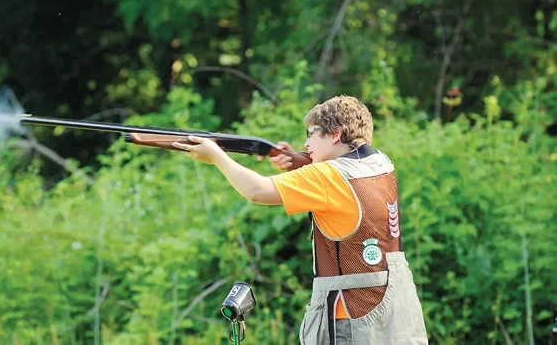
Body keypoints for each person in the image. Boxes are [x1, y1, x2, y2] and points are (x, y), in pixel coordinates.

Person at [172, 95, 428, 344]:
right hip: (395, 309)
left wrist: (216, 155)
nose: (306, 143)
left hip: (350, 317)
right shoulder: (380, 162)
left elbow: (257, 191)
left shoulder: (327, 176)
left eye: (312, 133)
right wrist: (296, 163)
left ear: (335, 134)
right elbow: (342, 177)